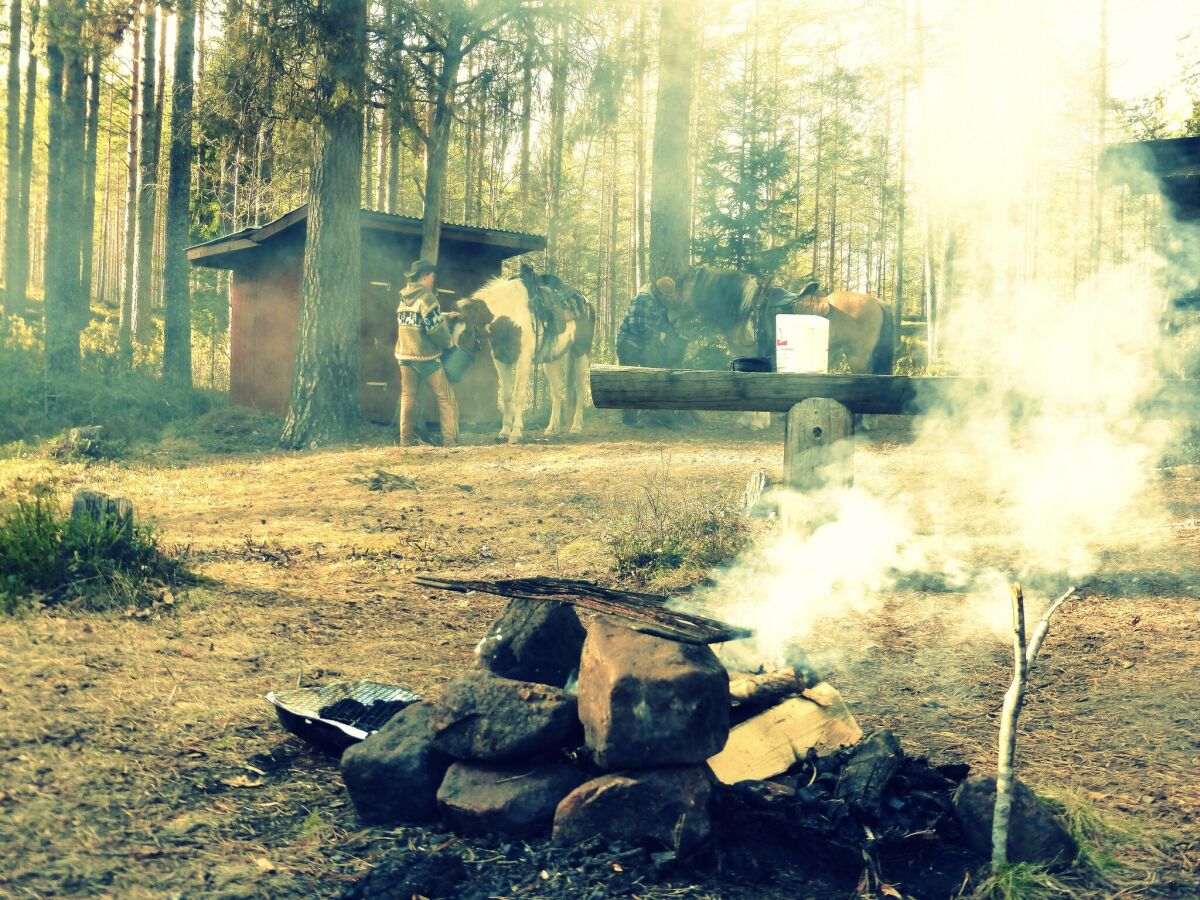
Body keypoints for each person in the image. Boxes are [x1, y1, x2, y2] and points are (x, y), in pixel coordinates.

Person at [395, 260, 458, 447]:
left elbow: (417, 319)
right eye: (432, 276)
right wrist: (449, 343)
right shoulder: (427, 297)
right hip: (425, 356)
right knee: (444, 397)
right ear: (425, 276)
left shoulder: (404, 297)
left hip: (404, 355)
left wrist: (445, 315)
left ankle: (405, 442)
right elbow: (435, 330)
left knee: (408, 397)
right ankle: (450, 442)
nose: (433, 280)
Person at [616, 276, 680, 426]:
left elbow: (660, 323)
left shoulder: (657, 302)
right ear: (659, 292)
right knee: (629, 380)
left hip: (643, 345)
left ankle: (651, 414)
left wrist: (669, 332)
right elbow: (636, 325)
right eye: (666, 296)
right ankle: (629, 419)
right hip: (628, 343)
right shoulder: (642, 299)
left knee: (651, 377)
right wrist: (658, 335)